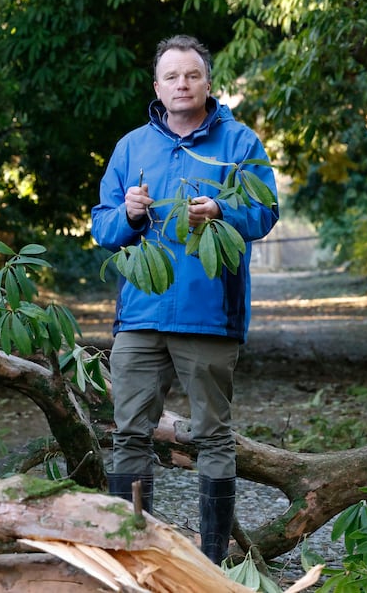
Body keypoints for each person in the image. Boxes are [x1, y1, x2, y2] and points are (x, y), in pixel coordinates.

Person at [90, 34, 280, 565]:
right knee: (128, 432)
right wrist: (128, 214)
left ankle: (210, 563)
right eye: (171, 76)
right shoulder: (131, 147)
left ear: (208, 83)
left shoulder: (240, 143)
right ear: (156, 86)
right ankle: (126, 558)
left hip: (210, 315)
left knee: (213, 439)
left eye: (191, 75)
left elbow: (265, 213)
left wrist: (221, 210)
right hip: (141, 315)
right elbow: (102, 226)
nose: (182, 84)